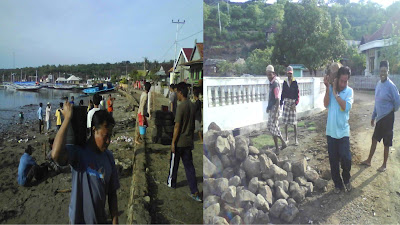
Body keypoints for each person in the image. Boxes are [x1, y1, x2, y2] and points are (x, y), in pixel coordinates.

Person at [51, 107, 120, 224]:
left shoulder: (109, 157)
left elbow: (112, 193)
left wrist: (115, 220)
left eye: (110, 136)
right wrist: (67, 119)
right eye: (105, 136)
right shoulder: (79, 153)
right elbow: (56, 154)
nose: (109, 141)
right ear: (94, 131)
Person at [361, 60, 400, 172]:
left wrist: (393, 109)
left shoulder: (391, 86)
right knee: (374, 139)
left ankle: (384, 165)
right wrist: (373, 116)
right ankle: (369, 160)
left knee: (386, 142)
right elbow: (377, 102)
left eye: (385, 71)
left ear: (388, 71)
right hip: (380, 118)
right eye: (381, 71)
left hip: (388, 118)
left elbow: (397, 100)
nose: (383, 73)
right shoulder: (378, 84)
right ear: (379, 71)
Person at [166, 82, 201, 202]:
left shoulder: (181, 107)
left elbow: (177, 127)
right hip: (189, 142)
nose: (176, 94)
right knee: (189, 167)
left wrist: (173, 142)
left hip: (179, 142)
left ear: (180, 93)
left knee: (174, 164)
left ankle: (172, 183)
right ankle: (194, 190)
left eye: (177, 92)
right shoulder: (192, 106)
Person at [324, 66, 354, 193]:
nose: (343, 84)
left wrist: (336, 93)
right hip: (331, 132)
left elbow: (345, 107)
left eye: (345, 81)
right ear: (337, 79)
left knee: (346, 158)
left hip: (343, 132)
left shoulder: (349, 91)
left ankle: (346, 179)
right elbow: (325, 104)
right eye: (341, 81)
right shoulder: (330, 89)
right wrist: (328, 88)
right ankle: (338, 184)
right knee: (333, 161)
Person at [266, 65, 287, 152]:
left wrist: (275, 113)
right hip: (272, 108)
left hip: (275, 108)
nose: (268, 76)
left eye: (270, 74)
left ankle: (282, 144)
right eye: (267, 75)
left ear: (273, 73)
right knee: (272, 128)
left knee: (274, 128)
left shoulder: (275, 84)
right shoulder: (272, 83)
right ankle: (278, 147)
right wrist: (268, 107)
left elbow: (277, 99)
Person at [280, 66, 300, 145]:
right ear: (287, 73)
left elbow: (297, 94)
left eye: (291, 74)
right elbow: (283, 93)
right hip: (286, 102)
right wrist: (281, 102)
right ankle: (286, 138)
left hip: (292, 103)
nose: (289, 75)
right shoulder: (285, 82)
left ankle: (296, 139)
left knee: (294, 122)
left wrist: (295, 104)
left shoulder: (295, 82)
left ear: (292, 73)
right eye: (288, 73)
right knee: (285, 122)